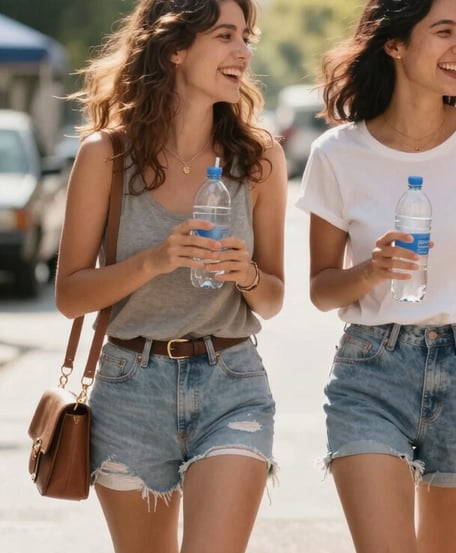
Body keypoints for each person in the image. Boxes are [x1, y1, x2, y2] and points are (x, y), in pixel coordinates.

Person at [295, 1, 456, 552]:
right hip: (371, 372)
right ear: (396, 44)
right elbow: (321, 288)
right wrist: (370, 271)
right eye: (444, 32)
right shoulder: (338, 153)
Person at [55, 1, 287, 552]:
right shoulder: (105, 157)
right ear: (176, 49)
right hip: (128, 388)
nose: (243, 51)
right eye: (226, 36)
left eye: (246, 37)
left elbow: (274, 299)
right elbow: (69, 296)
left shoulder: (260, 160)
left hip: (232, 382)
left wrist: (247, 274)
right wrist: (153, 262)